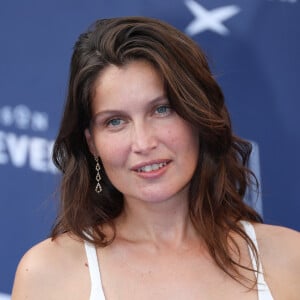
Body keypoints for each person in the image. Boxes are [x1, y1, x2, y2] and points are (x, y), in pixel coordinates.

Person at [11, 16, 300, 300]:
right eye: (115, 122)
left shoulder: (290, 259)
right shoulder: (46, 275)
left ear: (198, 117)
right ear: (92, 143)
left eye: (161, 110)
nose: (143, 143)